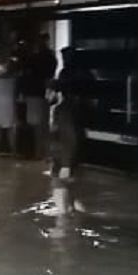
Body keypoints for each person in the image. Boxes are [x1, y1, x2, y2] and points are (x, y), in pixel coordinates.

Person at [49, 46, 89, 180]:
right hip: (68, 104)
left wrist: (57, 85)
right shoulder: (65, 71)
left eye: (66, 57)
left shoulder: (80, 72)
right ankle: (65, 163)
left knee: (72, 135)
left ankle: (68, 163)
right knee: (67, 134)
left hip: (77, 105)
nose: (64, 59)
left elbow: (75, 86)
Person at [20, 34, 58, 160]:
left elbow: (26, 70)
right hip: (42, 93)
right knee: (43, 124)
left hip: (34, 93)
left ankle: (38, 152)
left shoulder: (35, 58)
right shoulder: (51, 58)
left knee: (36, 124)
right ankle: (44, 152)